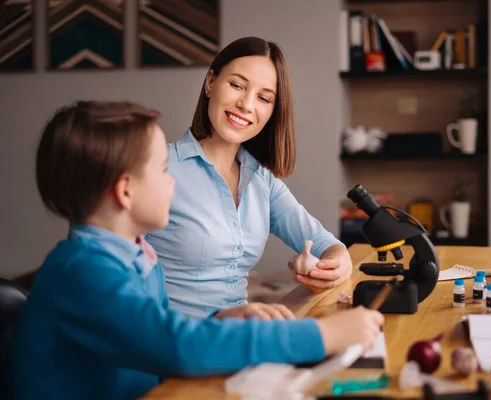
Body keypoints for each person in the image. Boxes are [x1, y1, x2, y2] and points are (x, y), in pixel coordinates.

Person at [9, 101, 384, 400]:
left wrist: (218, 322)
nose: (173, 180)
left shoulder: (135, 257)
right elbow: (176, 346)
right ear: (125, 192)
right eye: (162, 169)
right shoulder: (83, 272)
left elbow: (148, 337)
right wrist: (323, 336)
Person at [146, 37, 353, 319]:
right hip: (177, 349)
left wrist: (337, 263)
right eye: (237, 85)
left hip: (241, 343)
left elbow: (324, 242)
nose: (246, 105)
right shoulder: (157, 167)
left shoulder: (261, 180)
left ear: (272, 111)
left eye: (264, 98)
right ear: (210, 82)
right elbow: (117, 285)